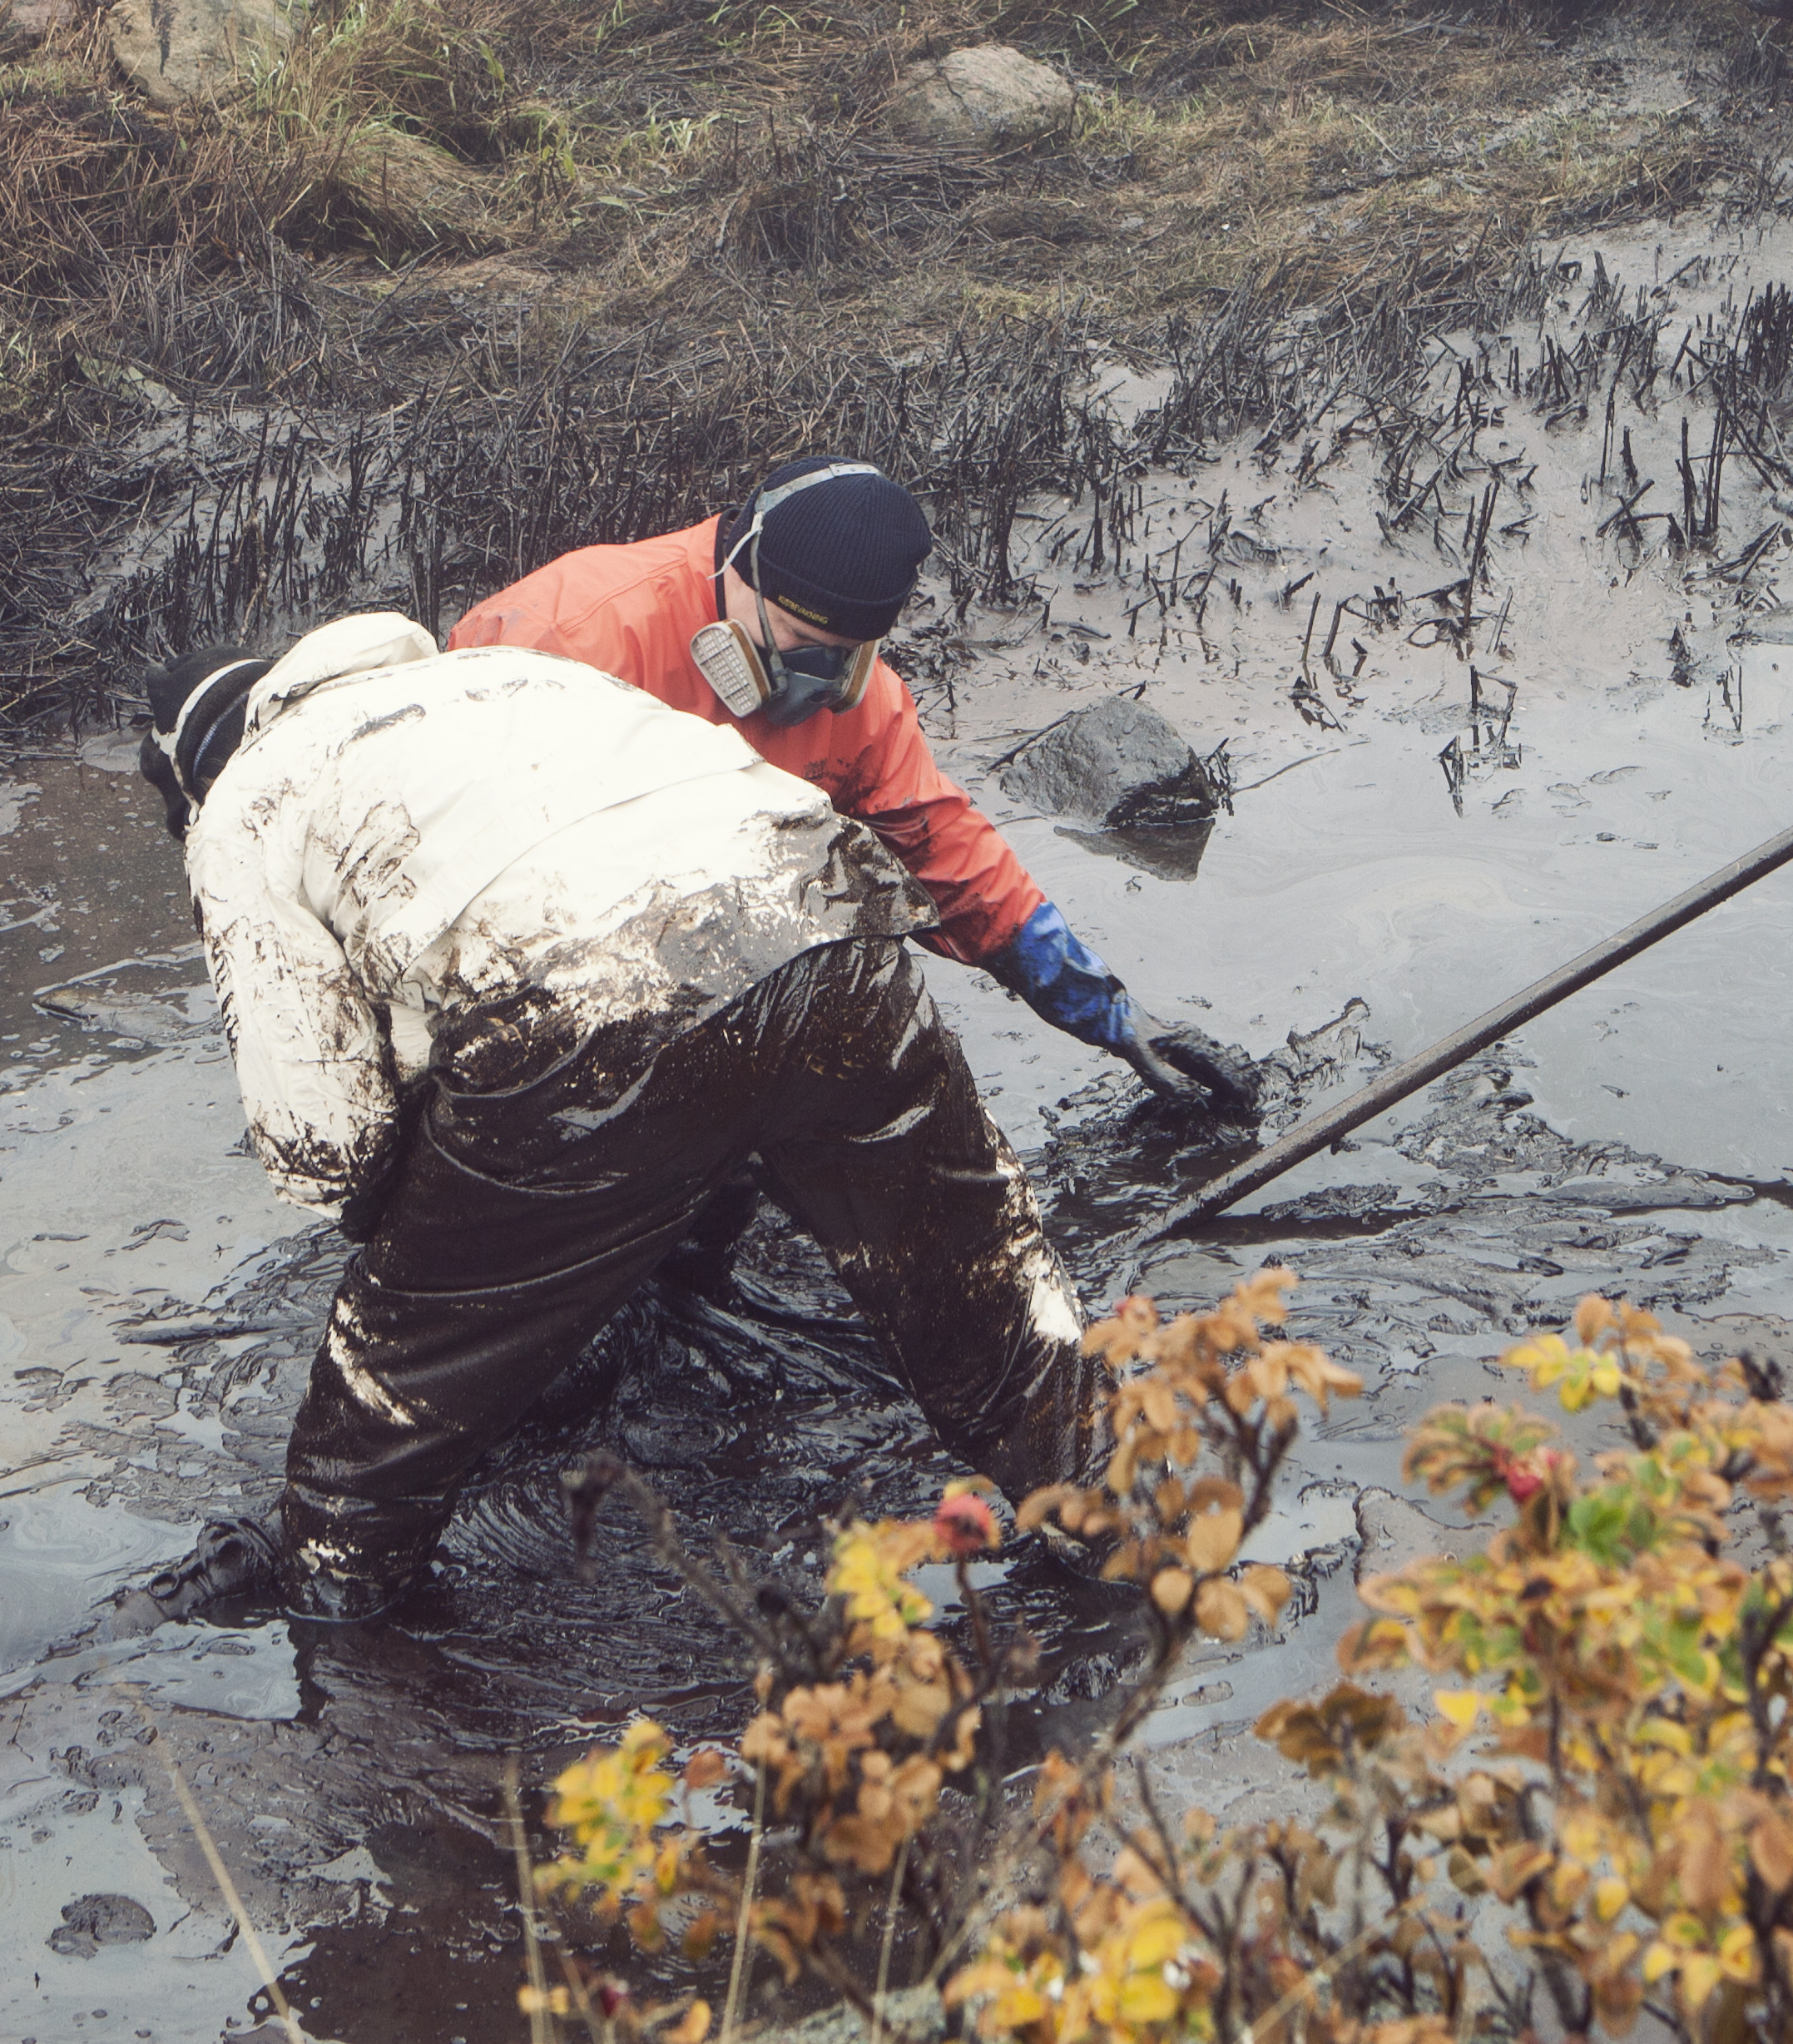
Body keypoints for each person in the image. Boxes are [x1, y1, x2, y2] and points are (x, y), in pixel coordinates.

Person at [131, 613, 1106, 1625]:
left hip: (591, 1011)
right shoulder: (504, 676)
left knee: (379, 1407)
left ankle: (354, 1650)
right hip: (829, 924)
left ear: (197, 769)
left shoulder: (245, 804)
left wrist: (442, 1236)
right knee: (993, 1310)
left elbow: (324, 1147)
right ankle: (1138, 1539)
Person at [451, 454, 1260, 1108]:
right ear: (742, 567)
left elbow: (952, 863)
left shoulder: (861, 707)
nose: (820, 677)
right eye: (801, 640)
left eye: (846, 653)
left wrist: (1115, 1018)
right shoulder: (563, 636)